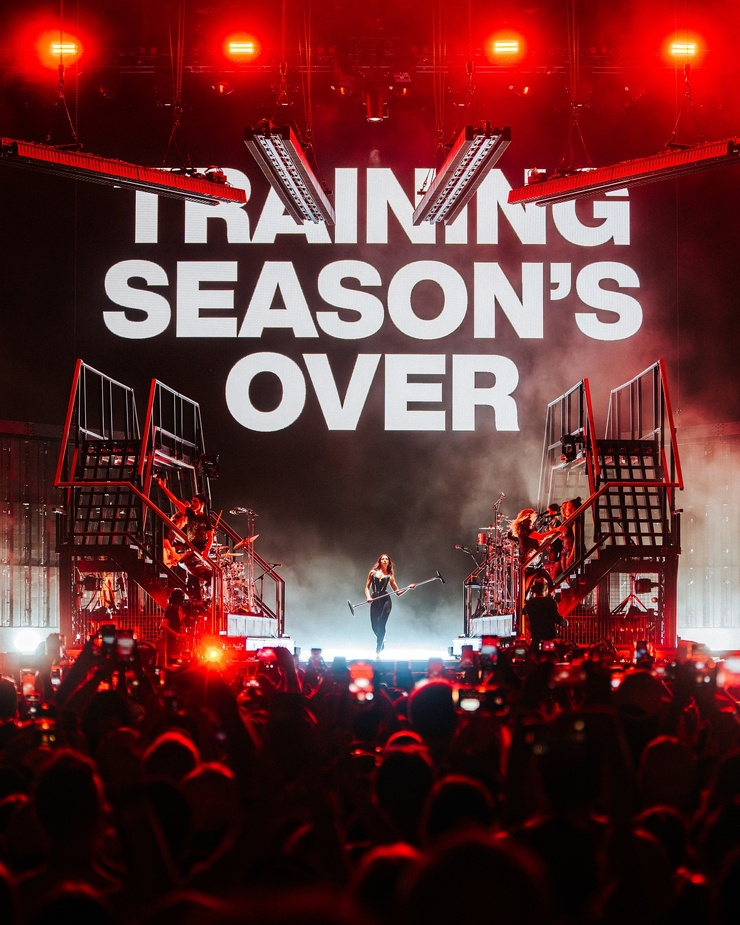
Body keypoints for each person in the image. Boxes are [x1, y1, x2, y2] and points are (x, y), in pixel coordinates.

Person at [156, 476, 214, 600]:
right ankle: (202, 587)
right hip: (192, 547)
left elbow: (210, 537)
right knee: (184, 563)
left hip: (199, 548)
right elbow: (175, 501)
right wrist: (164, 488)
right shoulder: (189, 513)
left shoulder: (204, 519)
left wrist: (207, 551)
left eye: (195, 502)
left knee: (185, 563)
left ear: (201, 504)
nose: (192, 503)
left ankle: (206, 583)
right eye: (192, 501)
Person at [365, 554, 414, 657]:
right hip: (374, 599)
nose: (384, 560)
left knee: (382, 624)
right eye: (382, 559)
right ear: (380, 561)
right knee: (374, 626)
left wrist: (408, 588)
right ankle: (381, 639)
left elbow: (397, 592)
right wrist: (368, 597)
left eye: (386, 559)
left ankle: (378, 650)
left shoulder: (390, 576)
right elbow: (367, 587)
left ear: (389, 562)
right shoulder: (372, 572)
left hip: (385, 601)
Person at [523, 576, 568, 652]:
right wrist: (565, 623)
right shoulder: (550, 602)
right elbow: (556, 618)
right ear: (545, 589)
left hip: (536, 639)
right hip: (549, 639)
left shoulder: (529, 604)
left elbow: (526, 616)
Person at [160, 588, 189, 664]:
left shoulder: (175, 609)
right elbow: (163, 625)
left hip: (173, 645)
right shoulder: (171, 610)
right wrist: (178, 636)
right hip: (169, 645)